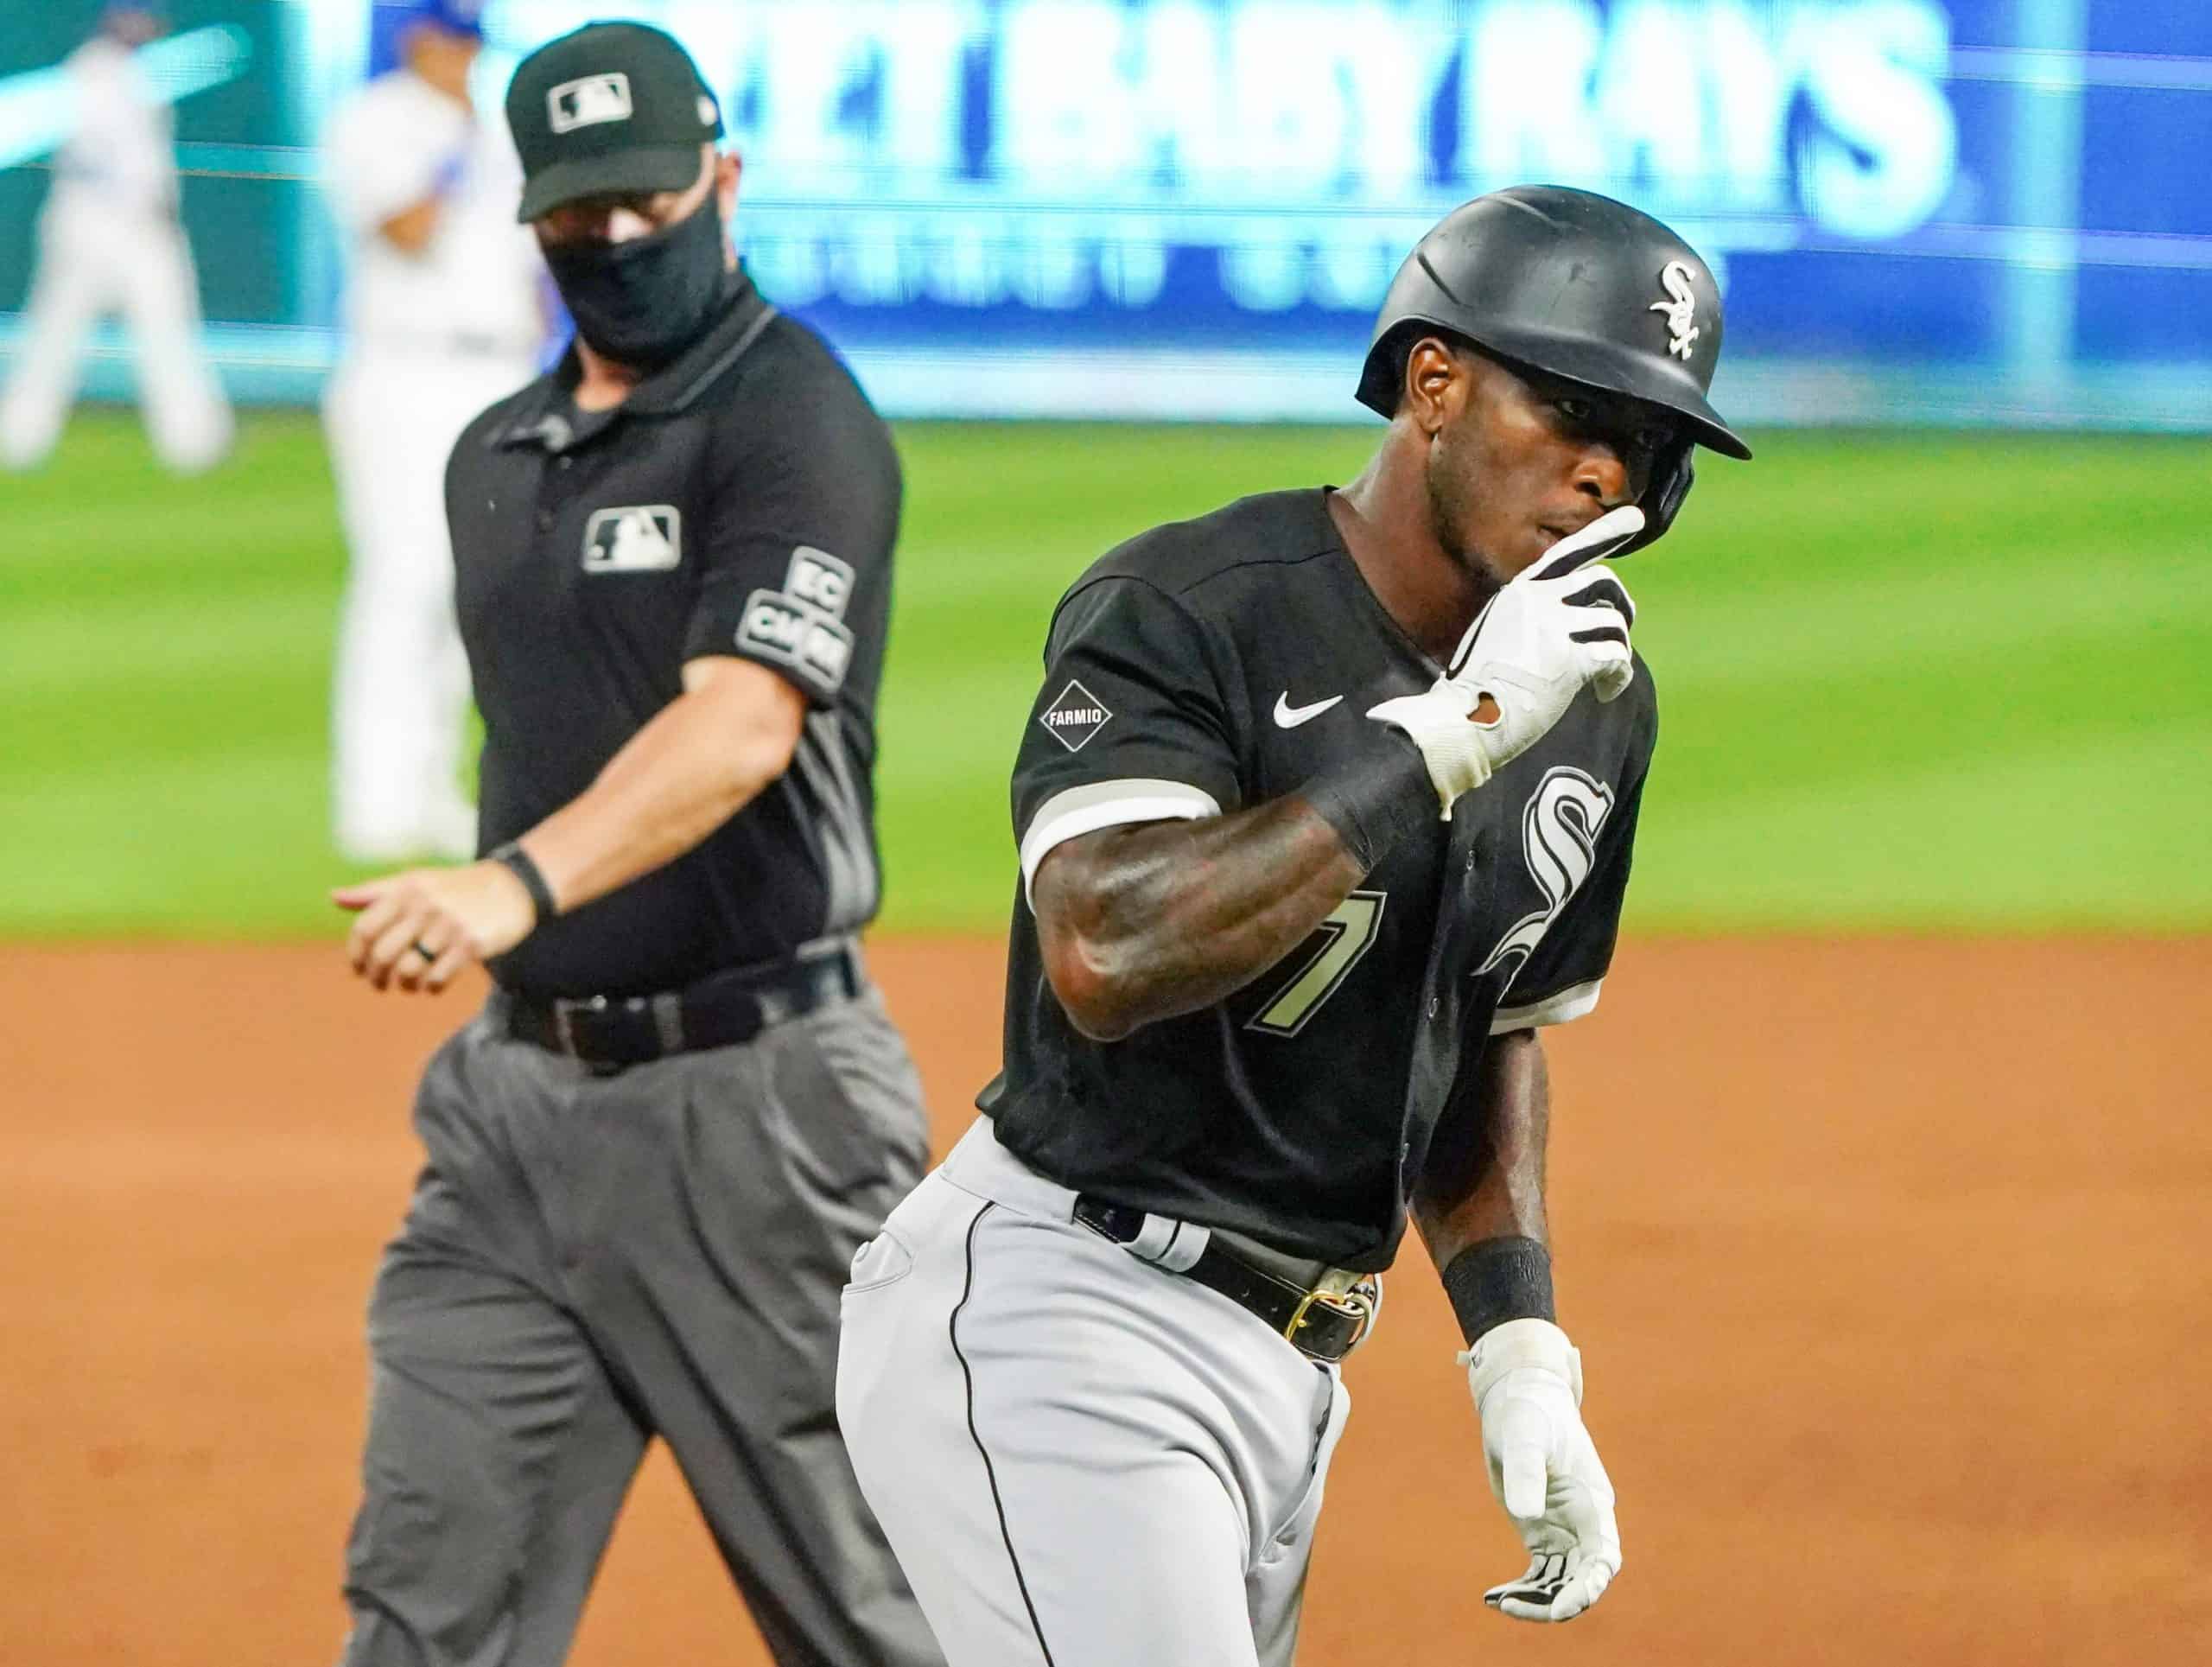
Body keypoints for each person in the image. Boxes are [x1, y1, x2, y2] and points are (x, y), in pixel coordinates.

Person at [837, 184, 1755, 1664]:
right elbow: (1105, 951)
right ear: (1432, 384)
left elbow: (1489, 1020)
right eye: (1575, 410)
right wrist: (1443, 737)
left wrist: (1519, 1341)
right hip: (1067, 1312)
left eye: (1649, 444)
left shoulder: (1590, 699)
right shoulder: (1191, 606)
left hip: (1292, 1372)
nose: (1606, 472)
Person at [325, 22, 941, 1667]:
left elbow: (742, 724)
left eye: (646, 205)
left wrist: (508, 884)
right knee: (424, 1612)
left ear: (721, 180)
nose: (613, 241)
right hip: (511, 1119)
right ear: (530, 215)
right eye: (577, 214)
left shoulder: (794, 418)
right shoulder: (491, 457)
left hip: (764, 1123)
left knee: (889, 1619)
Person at [321, 0, 547, 862]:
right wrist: (459, 147)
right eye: (450, 36)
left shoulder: (499, 126)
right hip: (403, 372)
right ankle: (371, 801)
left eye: (471, 37)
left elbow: (530, 268)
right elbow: (405, 229)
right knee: (401, 579)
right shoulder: (375, 120)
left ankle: (432, 789)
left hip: (499, 371)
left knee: (478, 587)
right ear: (414, 38)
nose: (462, 52)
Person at [0, 2, 232, 474]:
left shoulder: (134, 71)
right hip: (100, 219)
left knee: (161, 333)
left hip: (122, 224)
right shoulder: (97, 69)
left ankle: (193, 442)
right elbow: (105, 157)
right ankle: (20, 437)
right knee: (57, 335)